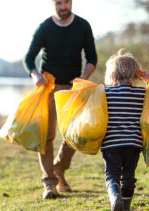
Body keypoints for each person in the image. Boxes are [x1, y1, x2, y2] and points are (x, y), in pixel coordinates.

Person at [23, 0, 97, 199]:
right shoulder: (45, 27)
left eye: (65, 2)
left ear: (71, 3)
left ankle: (58, 168)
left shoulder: (83, 26)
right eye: (58, 3)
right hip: (49, 87)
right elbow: (28, 58)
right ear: (53, 4)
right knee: (47, 137)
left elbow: (92, 59)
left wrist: (83, 78)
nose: (62, 6)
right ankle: (49, 184)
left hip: (73, 89)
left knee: (75, 135)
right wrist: (35, 75)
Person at [101, 49, 149, 211]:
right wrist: (148, 81)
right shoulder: (143, 93)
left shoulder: (105, 93)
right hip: (133, 142)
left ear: (112, 74)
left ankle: (115, 198)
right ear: (137, 74)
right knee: (128, 177)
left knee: (112, 175)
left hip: (111, 142)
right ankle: (126, 207)